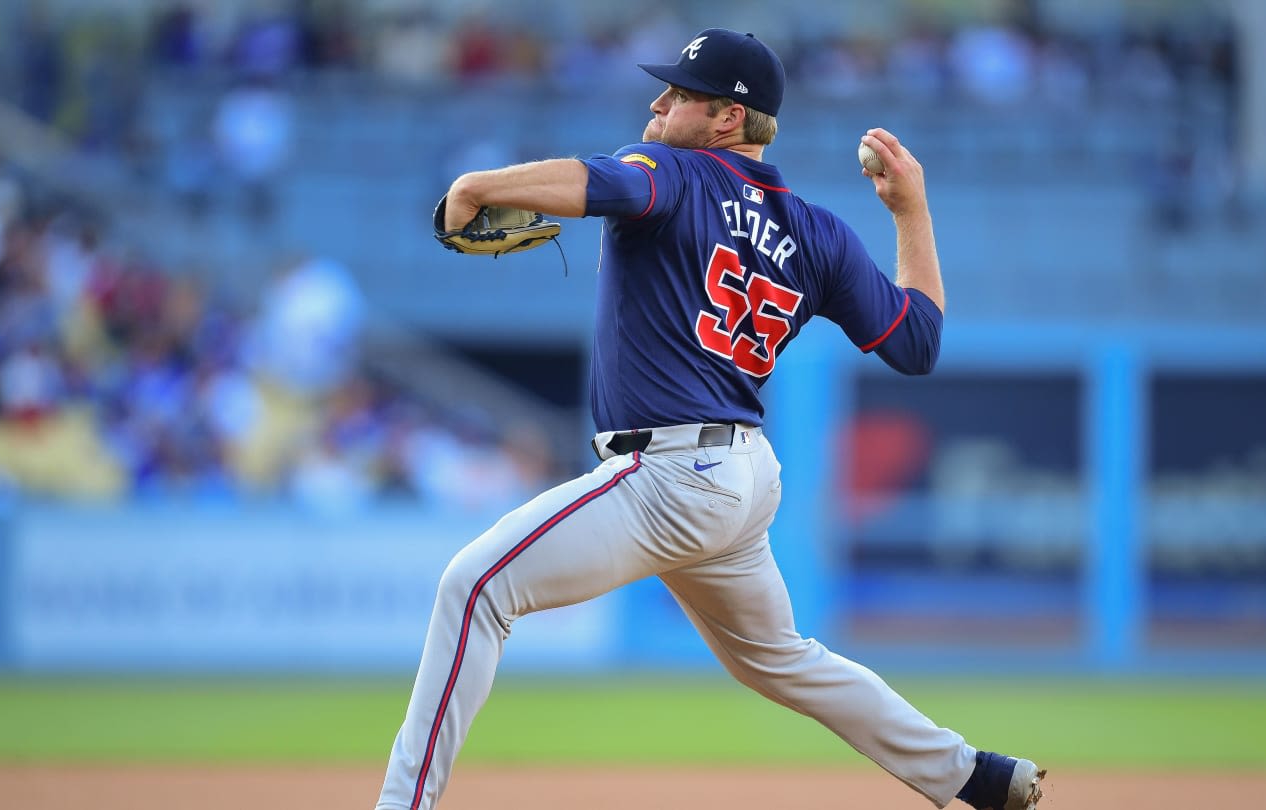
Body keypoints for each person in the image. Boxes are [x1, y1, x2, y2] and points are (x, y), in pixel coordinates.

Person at [376, 28, 1045, 810]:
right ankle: (975, 777)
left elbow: (609, 186)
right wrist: (912, 211)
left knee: (475, 588)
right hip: (742, 476)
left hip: (670, 474)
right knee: (780, 660)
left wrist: (479, 184)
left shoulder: (673, 170)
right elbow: (916, 341)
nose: (657, 104)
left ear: (728, 118)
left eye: (678, 94)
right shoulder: (818, 231)